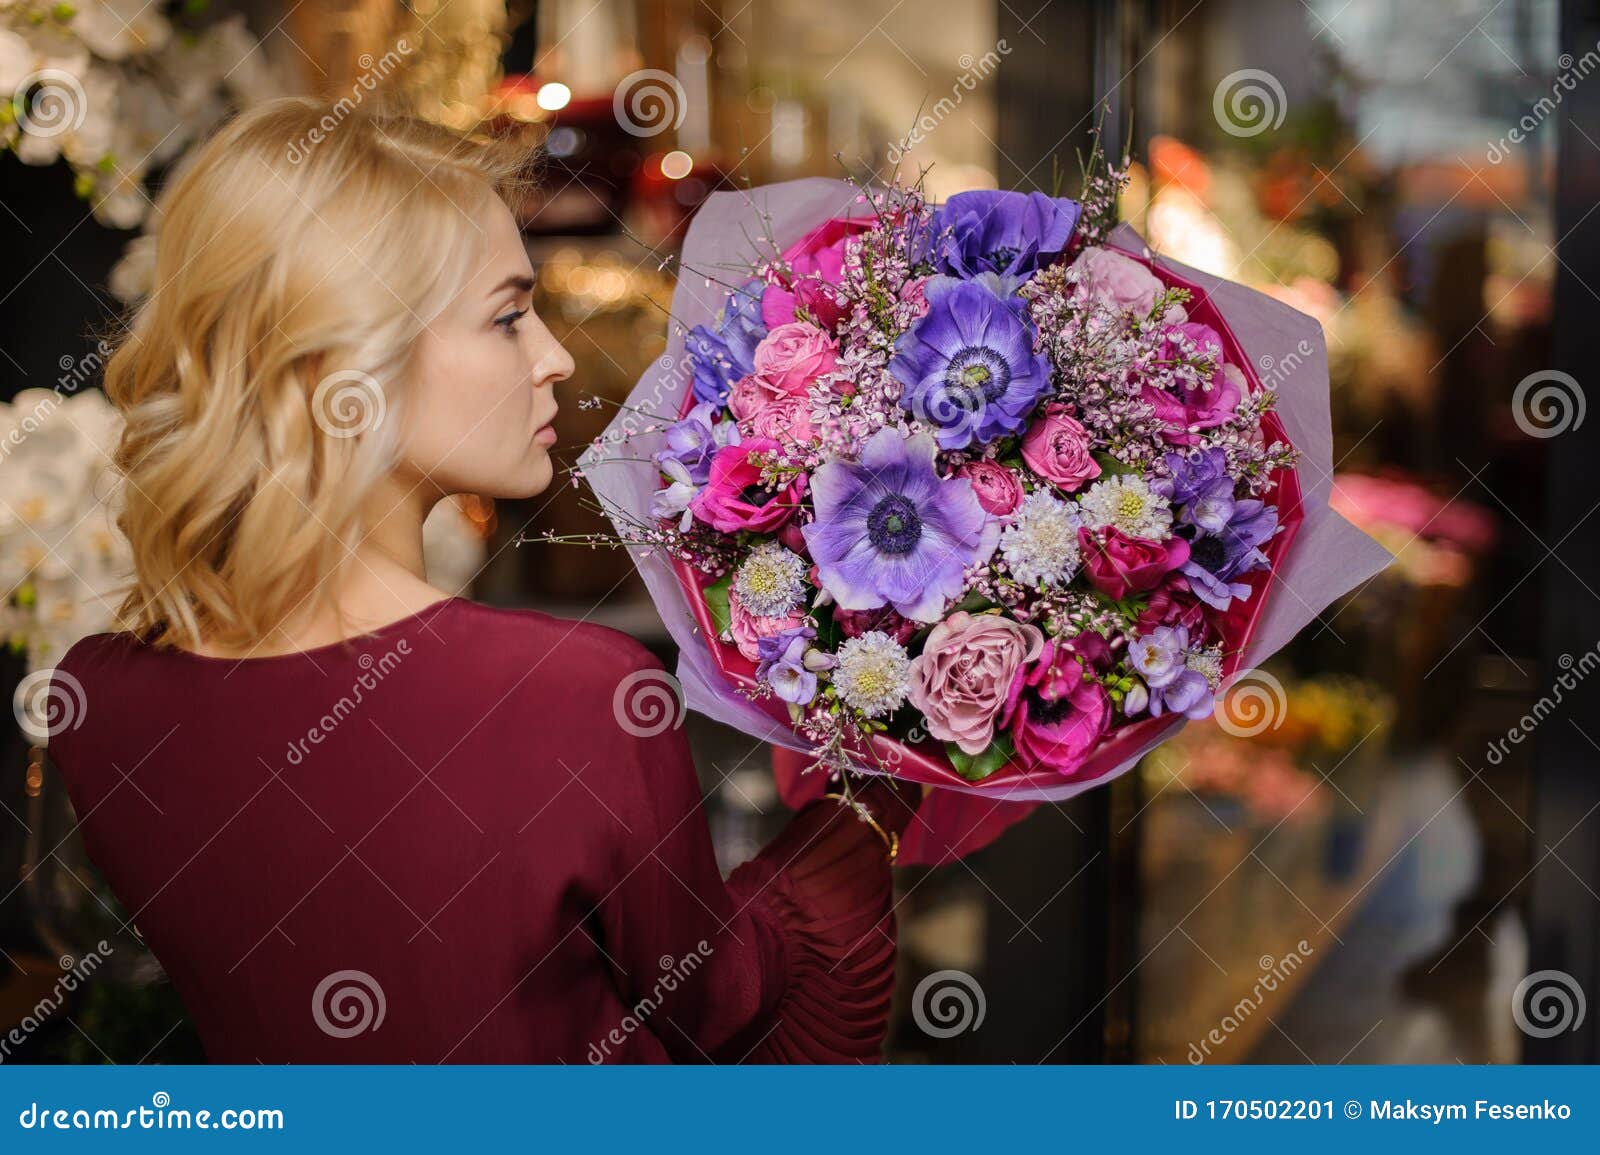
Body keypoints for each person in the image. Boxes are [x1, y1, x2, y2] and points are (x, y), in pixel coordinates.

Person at [47, 98, 919, 1064]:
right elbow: (716, 1002)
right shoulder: (574, 694)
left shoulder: (96, 699)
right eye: (508, 316)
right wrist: (867, 803)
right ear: (345, 369)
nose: (553, 357)